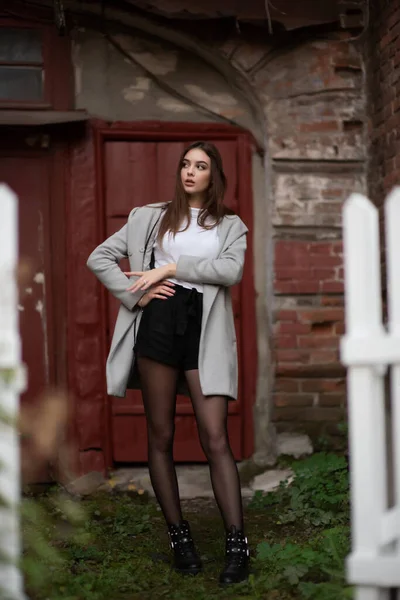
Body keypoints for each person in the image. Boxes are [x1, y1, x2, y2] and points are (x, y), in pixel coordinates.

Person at [87, 141, 250, 585]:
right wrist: (136, 291)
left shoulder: (231, 225)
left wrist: (170, 268)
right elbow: (98, 257)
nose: (190, 172)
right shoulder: (149, 216)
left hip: (204, 327)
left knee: (214, 435)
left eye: (200, 166)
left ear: (214, 175)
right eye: (185, 164)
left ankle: (237, 544)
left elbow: (230, 271)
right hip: (157, 323)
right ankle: (180, 539)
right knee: (160, 433)